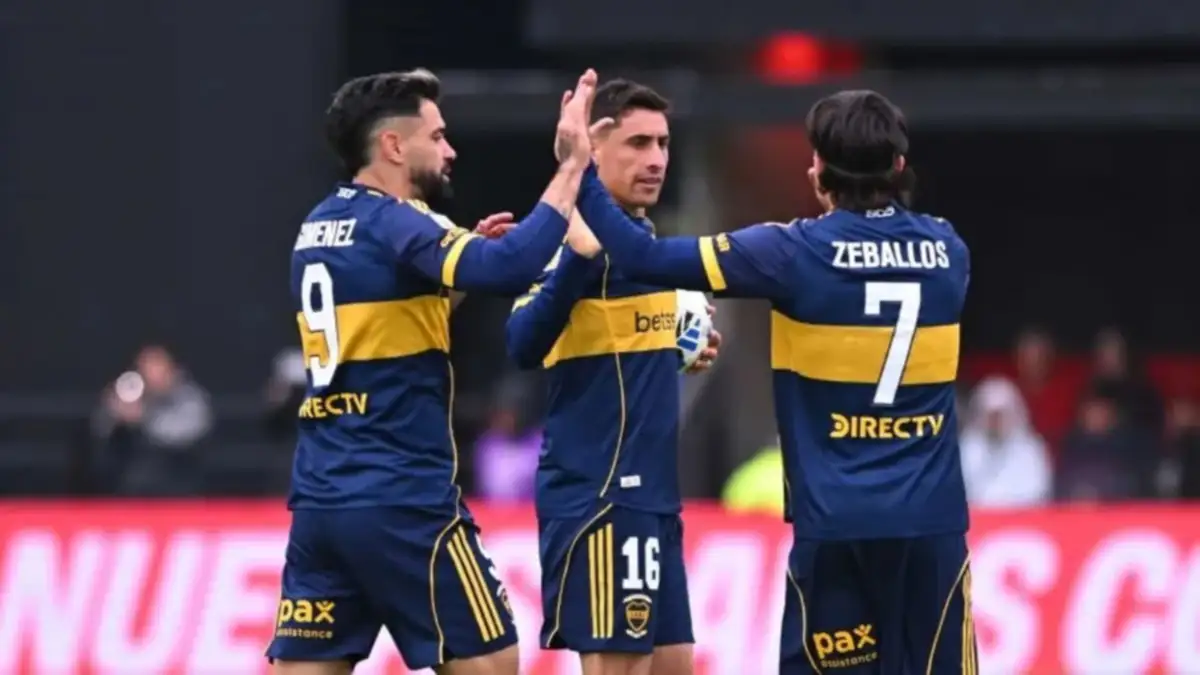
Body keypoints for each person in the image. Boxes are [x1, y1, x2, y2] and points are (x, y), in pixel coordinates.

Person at [568, 90, 976, 674]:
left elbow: (640, 256)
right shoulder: (948, 249)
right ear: (899, 166)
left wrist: (581, 168)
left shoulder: (791, 253)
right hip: (931, 530)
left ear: (818, 171)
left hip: (836, 528)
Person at [266, 67, 602, 675]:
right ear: (393, 146)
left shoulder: (318, 226)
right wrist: (573, 165)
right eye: (438, 136)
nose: (450, 151)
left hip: (322, 502)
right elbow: (511, 266)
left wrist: (457, 267)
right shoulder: (398, 222)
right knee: (493, 661)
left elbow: (386, 321)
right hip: (403, 498)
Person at [505, 79, 718, 675]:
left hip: (653, 499)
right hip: (601, 496)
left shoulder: (640, 241)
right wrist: (577, 258)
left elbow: (615, 341)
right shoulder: (567, 235)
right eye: (638, 143)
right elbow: (522, 342)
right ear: (593, 147)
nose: (656, 160)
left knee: (674, 665)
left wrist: (678, 345)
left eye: (663, 143)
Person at [959, 376, 1052, 508]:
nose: (995, 421)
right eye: (990, 415)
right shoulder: (967, 448)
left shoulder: (1031, 450)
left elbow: (1037, 492)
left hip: (1020, 517)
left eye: (1000, 415)